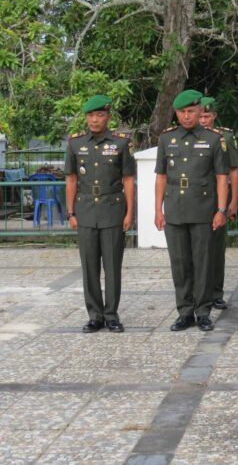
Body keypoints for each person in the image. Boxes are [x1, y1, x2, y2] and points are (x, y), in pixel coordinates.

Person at [154, 89, 229, 332]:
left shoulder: (214, 139)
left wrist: (221, 209)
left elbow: (221, 177)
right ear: (176, 113)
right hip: (175, 209)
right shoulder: (166, 139)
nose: (186, 116)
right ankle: (185, 311)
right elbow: (161, 177)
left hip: (204, 210)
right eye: (182, 112)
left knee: (203, 262)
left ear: (199, 111)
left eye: (191, 111)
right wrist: (158, 210)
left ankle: (203, 311)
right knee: (180, 263)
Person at [64, 95, 136, 333]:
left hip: (112, 210)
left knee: (113, 265)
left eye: (100, 115)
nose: (95, 120)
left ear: (108, 117)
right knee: (89, 266)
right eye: (91, 116)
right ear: (86, 118)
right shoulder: (75, 144)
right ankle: (95, 315)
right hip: (85, 210)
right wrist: (71, 212)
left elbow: (128, 180)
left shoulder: (120, 143)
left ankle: (111, 314)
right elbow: (71, 179)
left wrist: (129, 213)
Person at [199, 96, 238, 309]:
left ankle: (216, 292)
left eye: (207, 116)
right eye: (201, 115)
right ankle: (198, 292)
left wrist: (233, 200)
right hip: (196, 199)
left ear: (214, 116)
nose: (203, 120)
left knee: (216, 248)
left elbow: (233, 169)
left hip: (218, 199)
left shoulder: (224, 137)